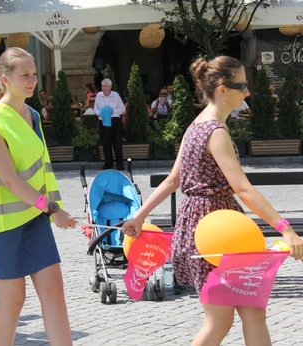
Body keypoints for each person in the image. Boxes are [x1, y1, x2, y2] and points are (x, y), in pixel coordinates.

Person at [121, 56, 303, 346]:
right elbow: (242, 188)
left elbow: (172, 180)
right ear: (222, 89)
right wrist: (285, 227)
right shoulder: (216, 132)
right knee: (223, 320)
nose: (247, 92)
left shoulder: (196, 126)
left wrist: (139, 216)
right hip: (218, 231)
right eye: (242, 85)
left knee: (249, 312)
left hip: (207, 228)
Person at [0, 47, 77, 345]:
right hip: (0, 224)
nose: (32, 80)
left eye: (34, 74)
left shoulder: (33, 115)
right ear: (4, 79)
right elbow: (10, 180)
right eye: (24, 75)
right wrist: (54, 209)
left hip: (32, 216)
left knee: (54, 292)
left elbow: (38, 171)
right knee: (13, 300)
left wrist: (48, 210)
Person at [94, 78, 125, 170]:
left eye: (105, 86)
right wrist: (103, 112)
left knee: (117, 143)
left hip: (115, 120)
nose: (103, 88)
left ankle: (120, 164)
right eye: (102, 86)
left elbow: (122, 109)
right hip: (103, 121)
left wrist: (112, 111)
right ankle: (108, 163)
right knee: (106, 143)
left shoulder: (115, 95)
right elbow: (96, 110)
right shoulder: (98, 96)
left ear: (110, 87)